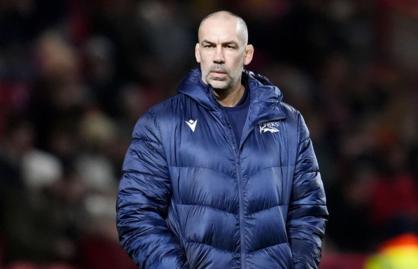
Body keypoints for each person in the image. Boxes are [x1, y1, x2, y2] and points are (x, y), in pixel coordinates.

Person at [116, 10, 328, 269]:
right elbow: (136, 214)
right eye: (209, 46)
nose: (217, 57)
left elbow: (308, 210)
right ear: (197, 52)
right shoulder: (161, 123)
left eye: (228, 46)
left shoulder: (288, 123)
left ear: (247, 54)